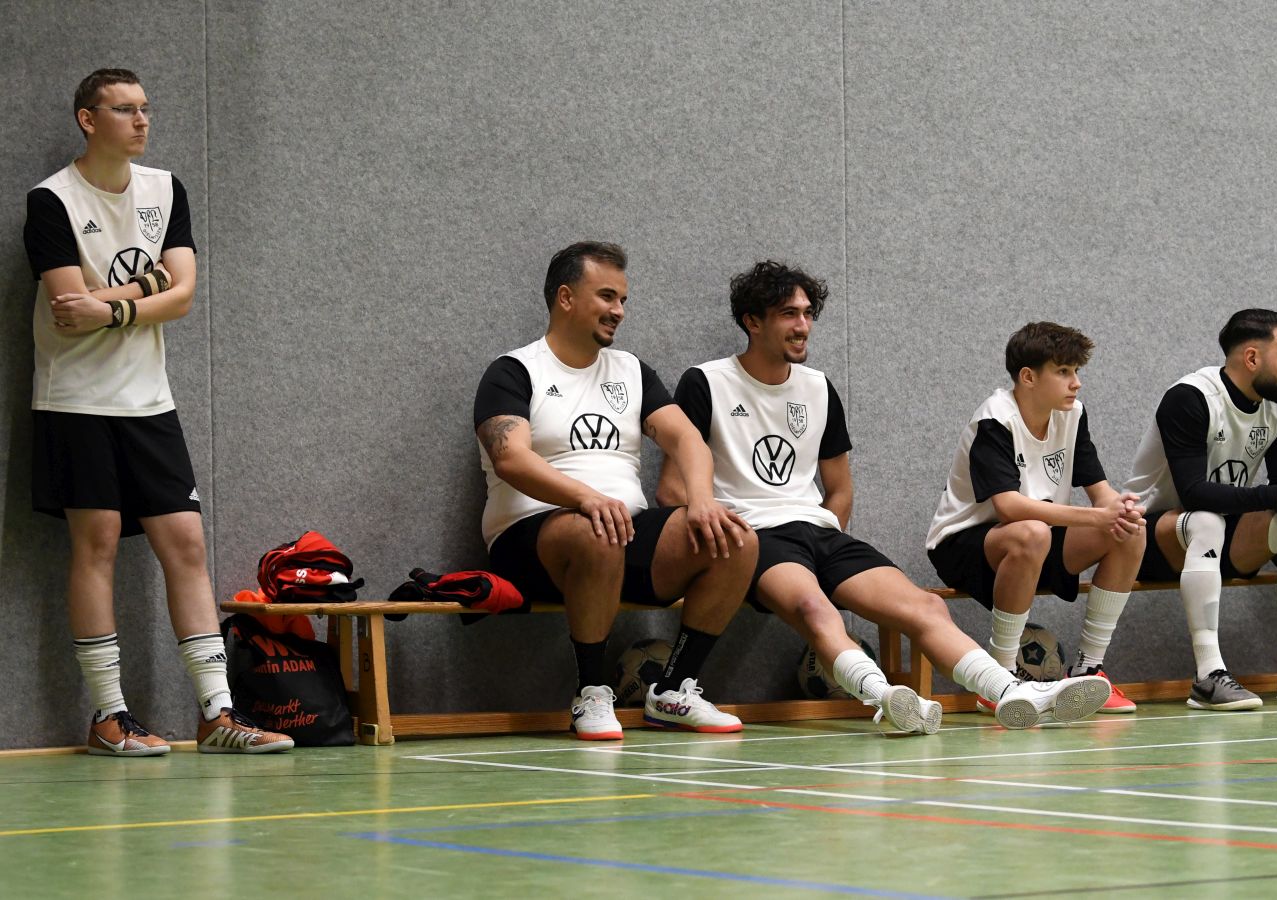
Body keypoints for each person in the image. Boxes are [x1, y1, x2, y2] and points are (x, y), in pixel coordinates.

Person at [660, 261, 1110, 732]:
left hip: (820, 532)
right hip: (754, 536)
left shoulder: (818, 388)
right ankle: (884, 696)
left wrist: (824, 540)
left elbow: (840, 488)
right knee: (816, 609)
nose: (803, 325)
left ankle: (1009, 692)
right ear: (752, 321)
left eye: (808, 313)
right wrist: (725, 546)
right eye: (788, 314)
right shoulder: (705, 381)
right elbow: (672, 488)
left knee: (926, 607)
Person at [26, 69, 291, 755]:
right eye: (124, 110)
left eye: (145, 108)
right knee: (97, 545)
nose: (141, 121)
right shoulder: (52, 201)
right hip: (76, 400)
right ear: (89, 120)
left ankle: (217, 713)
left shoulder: (166, 189)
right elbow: (68, 309)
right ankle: (109, 717)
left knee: (187, 544)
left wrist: (114, 303)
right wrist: (148, 286)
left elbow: (183, 295)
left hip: (150, 402)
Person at [474, 241, 758, 740]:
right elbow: (510, 457)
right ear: (566, 298)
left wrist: (701, 501)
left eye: (623, 299)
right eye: (607, 296)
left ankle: (672, 691)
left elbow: (687, 439)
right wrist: (585, 497)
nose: (619, 310)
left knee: (735, 538)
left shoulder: (631, 371)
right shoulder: (514, 371)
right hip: (533, 537)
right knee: (597, 530)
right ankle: (591, 692)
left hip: (622, 528)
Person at [1126, 309, 1277, 710]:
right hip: (1149, 538)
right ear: (1252, 358)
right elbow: (1193, 493)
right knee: (1205, 521)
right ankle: (1208, 676)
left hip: (1223, 536)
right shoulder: (1190, 398)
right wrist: (1274, 497)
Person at [926, 322, 1146, 714]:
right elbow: (1008, 507)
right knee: (1032, 532)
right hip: (964, 542)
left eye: (1076, 371)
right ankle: (998, 680)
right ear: (1028, 377)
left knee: (1128, 532)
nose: (1076, 382)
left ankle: (1088, 669)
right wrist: (1096, 517)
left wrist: (1121, 509)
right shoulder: (995, 419)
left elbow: (1101, 492)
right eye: (1063, 371)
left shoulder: (1072, 414)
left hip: (1038, 537)